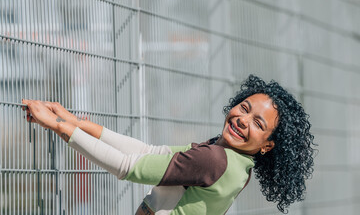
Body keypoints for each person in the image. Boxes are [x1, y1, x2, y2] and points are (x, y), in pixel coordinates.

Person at [21, 74, 315, 214]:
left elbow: (129, 167)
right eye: (245, 108)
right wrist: (73, 122)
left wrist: (55, 125)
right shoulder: (236, 163)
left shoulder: (214, 160)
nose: (243, 119)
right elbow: (149, 152)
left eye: (258, 124)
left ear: (267, 146)